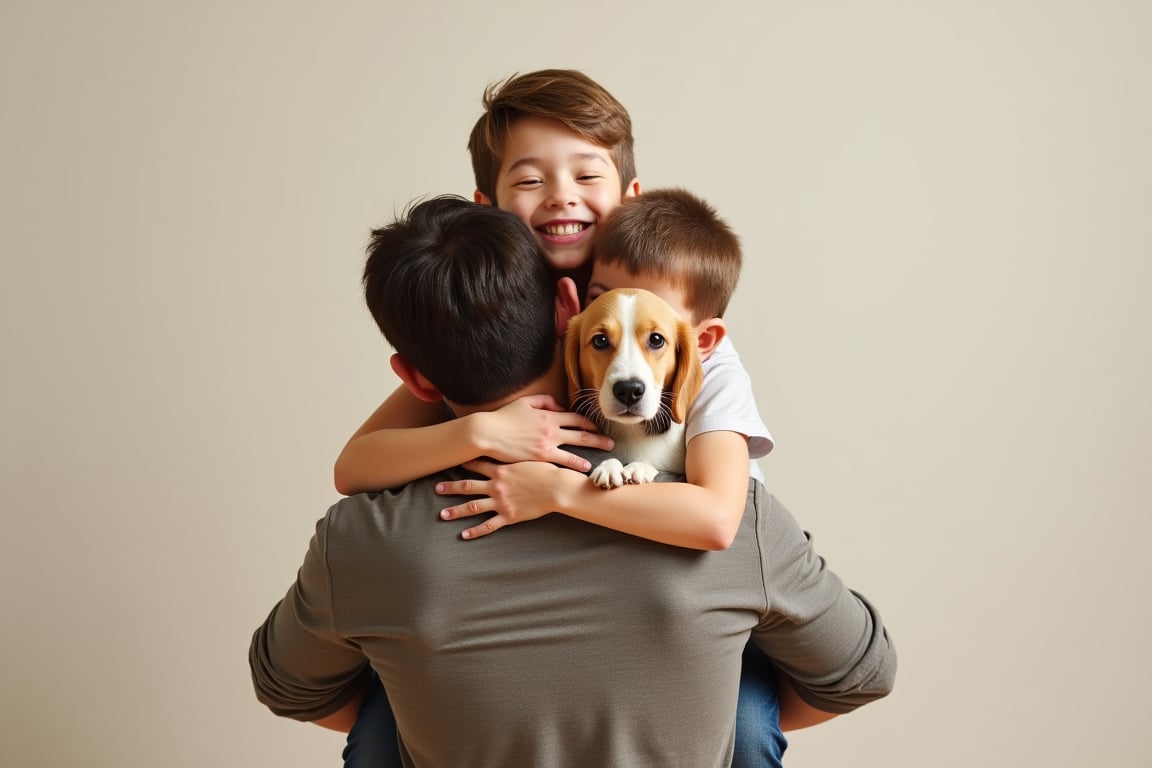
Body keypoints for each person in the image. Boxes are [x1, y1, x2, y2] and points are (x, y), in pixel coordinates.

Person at [249, 196, 898, 767]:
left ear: (411, 376)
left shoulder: (360, 543)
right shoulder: (735, 519)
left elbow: (288, 689)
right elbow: (862, 675)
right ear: (572, 309)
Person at [334, 71, 778, 764]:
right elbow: (355, 464)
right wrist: (481, 429)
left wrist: (557, 493)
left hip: (675, 609)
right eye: (530, 179)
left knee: (747, 719)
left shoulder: (680, 339)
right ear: (489, 207)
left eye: (584, 174)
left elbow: (721, 518)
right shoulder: (490, 323)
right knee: (383, 721)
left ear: (631, 195)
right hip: (505, 632)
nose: (562, 196)